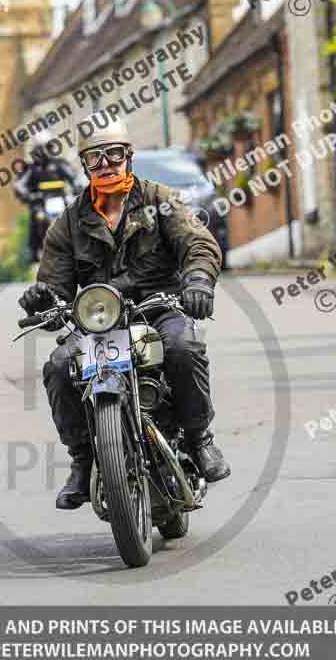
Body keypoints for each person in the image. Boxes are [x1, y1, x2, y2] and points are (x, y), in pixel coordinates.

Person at [19, 118, 231, 510]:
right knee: (60, 364)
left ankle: (200, 440)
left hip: (159, 308)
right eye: (95, 157)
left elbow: (197, 242)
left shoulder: (160, 199)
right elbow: (56, 285)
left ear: (128, 156)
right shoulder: (67, 222)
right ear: (84, 165)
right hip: (100, 320)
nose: (106, 164)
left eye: (114, 154)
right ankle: (82, 462)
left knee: (184, 346)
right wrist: (44, 299)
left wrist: (199, 280)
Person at [14, 132, 77, 261]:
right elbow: (20, 186)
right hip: (41, 203)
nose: (44, 151)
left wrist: (78, 188)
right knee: (38, 217)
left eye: (47, 147)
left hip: (61, 200)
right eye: (40, 148)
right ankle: (35, 249)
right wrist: (27, 195)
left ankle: (79, 246)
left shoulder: (60, 164)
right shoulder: (31, 169)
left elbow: (74, 178)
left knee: (75, 216)